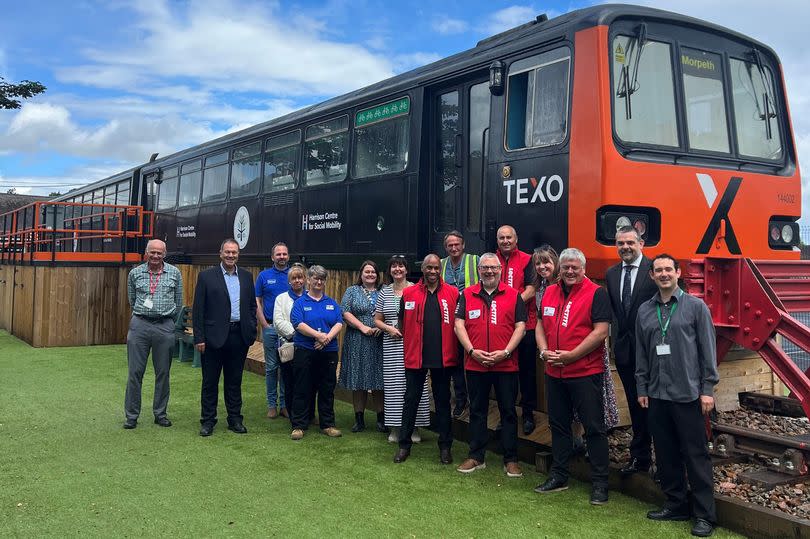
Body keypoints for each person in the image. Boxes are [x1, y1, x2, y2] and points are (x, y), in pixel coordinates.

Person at [636, 254, 719, 537]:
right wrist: (641, 387)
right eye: (658, 270)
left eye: (668, 269)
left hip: (688, 394)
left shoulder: (696, 308)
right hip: (657, 394)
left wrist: (707, 390)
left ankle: (704, 514)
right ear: (651, 276)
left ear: (678, 272)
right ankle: (675, 504)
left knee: (695, 454)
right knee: (666, 452)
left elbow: (708, 352)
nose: (663, 274)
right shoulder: (645, 311)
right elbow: (642, 354)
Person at [535, 248, 612, 505]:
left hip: (584, 372)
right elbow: (539, 324)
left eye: (575, 268)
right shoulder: (548, 292)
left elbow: (601, 332)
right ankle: (559, 475)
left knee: (594, 428)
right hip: (554, 371)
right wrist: (544, 350)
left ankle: (600, 483)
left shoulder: (596, 293)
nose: (569, 271)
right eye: (566, 267)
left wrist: (572, 356)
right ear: (560, 268)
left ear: (583, 269)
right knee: (558, 425)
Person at [454, 253, 526, 477]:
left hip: (505, 365)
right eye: (485, 268)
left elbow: (521, 327)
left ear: (500, 270)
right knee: (477, 411)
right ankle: (476, 456)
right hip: (476, 364)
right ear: (479, 270)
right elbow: (459, 325)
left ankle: (511, 459)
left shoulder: (514, 295)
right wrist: (472, 352)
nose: (489, 271)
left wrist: (505, 352)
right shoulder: (467, 294)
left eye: (493, 268)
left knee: (508, 412)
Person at [393, 254, 459, 465]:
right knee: (410, 400)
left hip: (443, 357)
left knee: (442, 403)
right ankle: (404, 445)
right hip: (416, 357)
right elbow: (402, 321)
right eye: (428, 268)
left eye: (436, 268)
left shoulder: (452, 293)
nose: (432, 272)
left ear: (441, 270)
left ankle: (445, 447)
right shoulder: (409, 293)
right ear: (422, 269)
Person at [606, 226, 658, 476]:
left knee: (657, 407)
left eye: (630, 242)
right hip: (627, 352)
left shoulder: (655, 271)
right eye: (620, 243)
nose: (625, 247)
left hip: (653, 353)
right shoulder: (612, 274)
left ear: (641, 244)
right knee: (635, 406)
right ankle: (640, 458)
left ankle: (664, 461)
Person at [193, 238, 257, 437]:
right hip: (213, 337)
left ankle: (235, 419)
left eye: (234, 252)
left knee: (234, 381)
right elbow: (198, 310)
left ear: (238, 254)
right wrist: (199, 338)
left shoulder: (246, 277)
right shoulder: (206, 277)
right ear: (220, 253)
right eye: (227, 252)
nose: (231, 255)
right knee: (210, 382)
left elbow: (252, 306)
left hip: (239, 336)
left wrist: (251, 328)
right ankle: (208, 421)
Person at [123, 239, 183, 429]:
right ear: (146, 253)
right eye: (152, 252)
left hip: (164, 326)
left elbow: (178, 302)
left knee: (163, 373)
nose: (156, 256)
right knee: (135, 373)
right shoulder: (135, 273)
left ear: (165, 254)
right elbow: (132, 299)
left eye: (159, 253)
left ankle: (160, 414)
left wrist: (169, 322)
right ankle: (131, 416)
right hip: (140, 325)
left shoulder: (174, 273)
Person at [374, 256, 430, 443]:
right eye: (394, 266)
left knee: (414, 386)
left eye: (401, 266)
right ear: (390, 270)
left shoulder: (416, 289)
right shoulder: (384, 292)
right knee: (394, 387)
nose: (397, 269)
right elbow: (377, 320)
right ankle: (396, 429)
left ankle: (414, 428)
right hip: (392, 345)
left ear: (407, 270)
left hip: (414, 345)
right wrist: (389, 329)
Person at [289, 265, 343, 440]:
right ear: (309, 280)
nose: (318, 282)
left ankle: (327, 424)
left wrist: (326, 339)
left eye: (322, 279)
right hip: (305, 349)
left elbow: (339, 322)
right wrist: (318, 336)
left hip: (329, 351)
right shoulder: (300, 303)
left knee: (327, 388)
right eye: (315, 278)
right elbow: (298, 323)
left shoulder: (331, 303)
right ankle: (298, 425)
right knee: (302, 387)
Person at [495, 225, 537, 434]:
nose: (505, 241)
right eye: (501, 238)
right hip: (500, 326)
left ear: (516, 238)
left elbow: (531, 289)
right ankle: (506, 415)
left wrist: (509, 304)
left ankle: (528, 414)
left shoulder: (528, 259)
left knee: (527, 371)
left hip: (526, 324)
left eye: (509, 237)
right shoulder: (490, 261)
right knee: (505, 373)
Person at [339, 260, 385, 433]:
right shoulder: (352, 291)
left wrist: (382, 327)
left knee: (379, 381)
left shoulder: (384, 291)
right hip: (358, 340)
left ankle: (381, 419)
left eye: (373, 272)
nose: (370, 274)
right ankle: (359, 419)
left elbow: (391, 311)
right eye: (367, 272)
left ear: (377, 274)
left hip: (379, 340)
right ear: (361, 274)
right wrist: (362, 327)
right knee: (359, 381)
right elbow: (345, 311)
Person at [440, 230, 479, 418]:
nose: (454, 248)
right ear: (445, 247)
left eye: (457, 244)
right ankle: (461, 399)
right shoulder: (440, 265)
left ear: (463, 245)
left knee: (473, 358)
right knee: (455, 361)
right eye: (450, 245)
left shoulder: (475, 260)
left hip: (473, 318)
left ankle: (476, 400)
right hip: (449, 319)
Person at [255, 242, 290, 419]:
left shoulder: (294, 275)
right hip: (270, 328)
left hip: (289, 331)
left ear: (288, 256)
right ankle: (271, 405)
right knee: (271, 368)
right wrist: (265, 325)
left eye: (284, 254)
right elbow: (257, 301)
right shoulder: (263, 276)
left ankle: (284, 405)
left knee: (286, 367)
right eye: (278, 254)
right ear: (272, 257)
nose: (281, 257)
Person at [273, 263, 307, 425]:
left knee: (307, 381)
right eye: (294, 278)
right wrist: (297, 333)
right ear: (289, 281)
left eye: (300, 277)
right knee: (290, 381)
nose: (297, 281)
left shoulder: (310, 297)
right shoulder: (281, 299)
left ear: (305, 279)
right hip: (289, 346)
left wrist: (308, 334)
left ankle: (308, 414)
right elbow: (278, 321)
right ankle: (294, 416)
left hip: (308, 346)